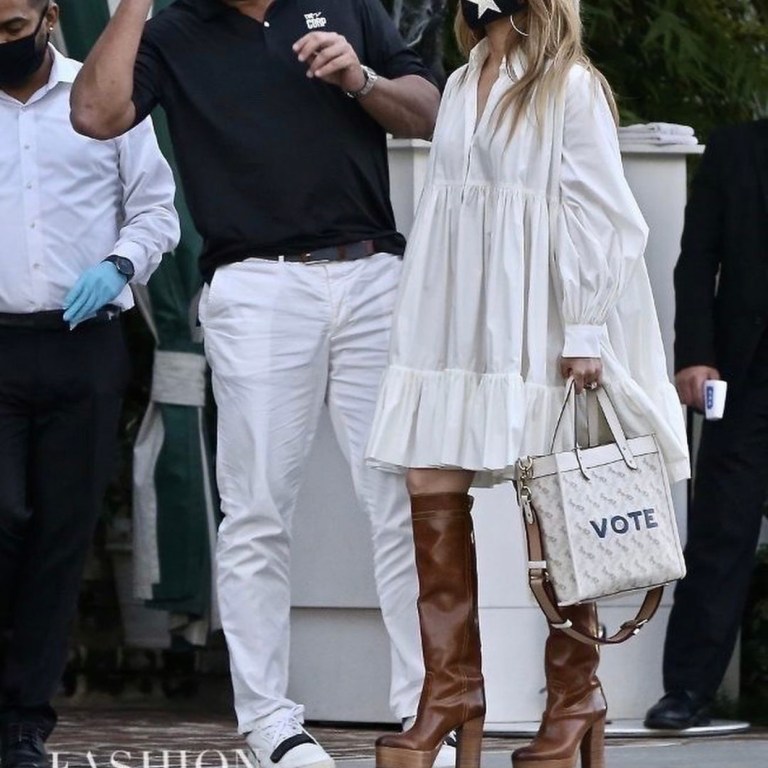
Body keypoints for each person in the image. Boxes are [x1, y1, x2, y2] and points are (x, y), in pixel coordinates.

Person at [70, 2, 442, 767]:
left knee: (404, 502)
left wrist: (361, 76)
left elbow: (432, 114)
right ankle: (272, 721)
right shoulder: (171, 31)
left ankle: (423, 715)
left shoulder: (349, 5)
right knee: (259, 510)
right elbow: (97, 114)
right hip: (256, 285)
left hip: (374, 272)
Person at [365, 1, 690, 767]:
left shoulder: (569, 84)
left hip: (541, 322)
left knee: (557, 499)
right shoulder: (458, 81)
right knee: (428, 476)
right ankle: (452, 691)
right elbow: (452, 214)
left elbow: (606, 218)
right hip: (459, 325)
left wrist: (583, 328)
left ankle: (575, 697)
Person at [0, 1, 179, 766]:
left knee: (60, 538)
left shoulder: (102, 97)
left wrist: (119, 265)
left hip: (84, 345)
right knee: (2, 519)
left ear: (44, 16)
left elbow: (157, 211)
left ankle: (22, 724)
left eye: (9, 29)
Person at [644, 119, 768, 730]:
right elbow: (696, 258)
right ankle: (688, 690)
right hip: (747, 381)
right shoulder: (738, 148)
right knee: (721, 532)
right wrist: (694, 353)